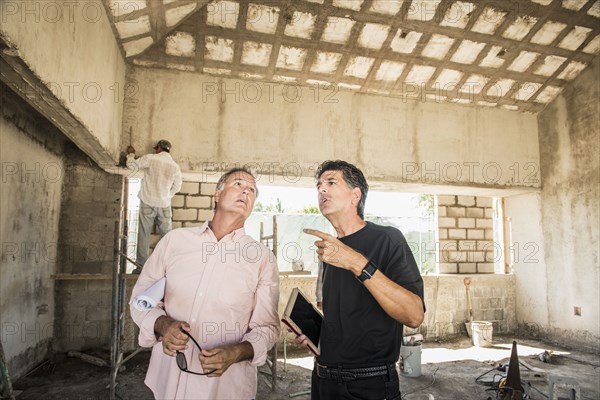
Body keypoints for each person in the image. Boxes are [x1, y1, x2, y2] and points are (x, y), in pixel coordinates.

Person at [129, 167, 280, 400]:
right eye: (238, 185)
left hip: (225, 388)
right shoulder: (175, 242)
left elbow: (267, 328)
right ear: (217, 194)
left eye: (252, 190)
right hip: (168, 379)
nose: (246, 192)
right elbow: (140, 300)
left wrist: (236, 352)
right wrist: (162, 324)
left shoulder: (261, 258)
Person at [300, 160, 425, 400]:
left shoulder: (388, 239)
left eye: (331, 182)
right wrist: (316, 336)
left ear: (355, 196)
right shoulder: (328, 250)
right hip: (323, 381)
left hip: (369, 385)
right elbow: (331, 311)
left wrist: (356, 263)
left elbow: (414, 315)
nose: (321, 190)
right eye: (318, 185)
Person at [126, 140, 182, 273]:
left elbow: (131, 166)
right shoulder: (174, 166)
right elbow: (177, 187)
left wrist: (131, 154)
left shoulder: (150, 158)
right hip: (164, 204)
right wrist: (167, 196)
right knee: (168, 237)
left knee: (144, 234)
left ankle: (141, 267)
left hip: (148, 202)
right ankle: (170, 266)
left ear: (158, 148)